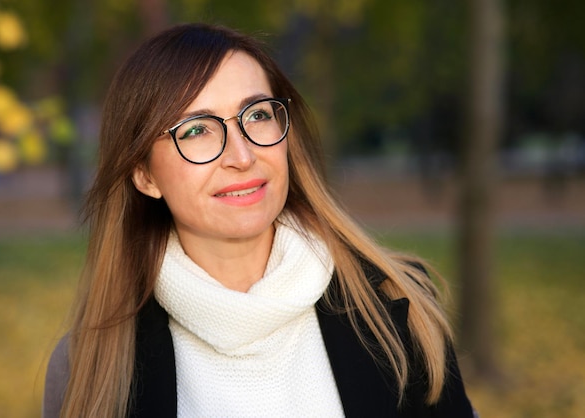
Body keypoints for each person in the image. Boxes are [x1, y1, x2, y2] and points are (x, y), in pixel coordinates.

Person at [43, 23, 475, 418]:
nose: (243, 156)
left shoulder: (400, 306)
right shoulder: (90, 367)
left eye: (258, 115)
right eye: (196, 129)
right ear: (144, 174)